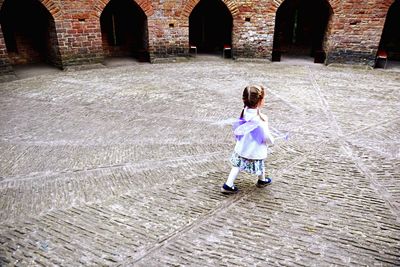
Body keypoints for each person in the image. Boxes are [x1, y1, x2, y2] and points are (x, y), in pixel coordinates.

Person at [221, 85, 275, 194]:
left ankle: (229, 184)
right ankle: (261, 180)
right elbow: (266, 136)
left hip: (243, 147)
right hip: (255, 149)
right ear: (260, 101)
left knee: (237, 165)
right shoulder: (261, 119)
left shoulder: (244, 112)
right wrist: (271, 141)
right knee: (260, 163)